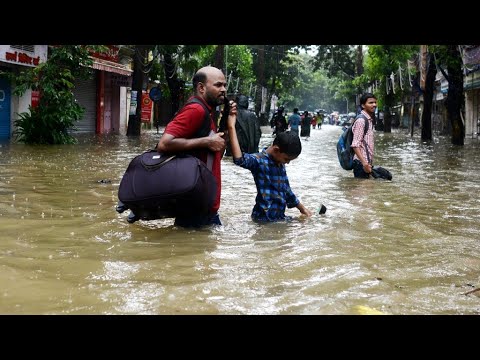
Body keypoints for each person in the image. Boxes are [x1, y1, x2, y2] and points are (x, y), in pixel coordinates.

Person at [157, 66, 228, 227]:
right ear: (201, 88)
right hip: (196, 205)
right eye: (218, 85)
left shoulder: (207, 112)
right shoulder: (196, 110)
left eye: (224, 85)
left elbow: (217, 155)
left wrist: (228, 124)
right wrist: (207, 141)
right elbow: (164, 143)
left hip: (203, 204)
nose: (223, 89)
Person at [227, 108, 312, 222]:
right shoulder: (258, 161)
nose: (287, 162)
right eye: (286, 159)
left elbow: (286, 190)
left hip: (278, 217)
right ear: (276, 150)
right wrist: (231, 126)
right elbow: (239, 159)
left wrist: (302, 209)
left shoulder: (279, 163)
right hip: (263, 219)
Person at [351, 93, 377, 179]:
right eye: (370, 103)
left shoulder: (369, 120)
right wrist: (364, 163)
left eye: (375, 102)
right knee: (361, 191)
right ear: (363, 105)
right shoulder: (361, 121)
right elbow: (355, 145)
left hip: (366, 163)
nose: (374, 105)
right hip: (361, 164)